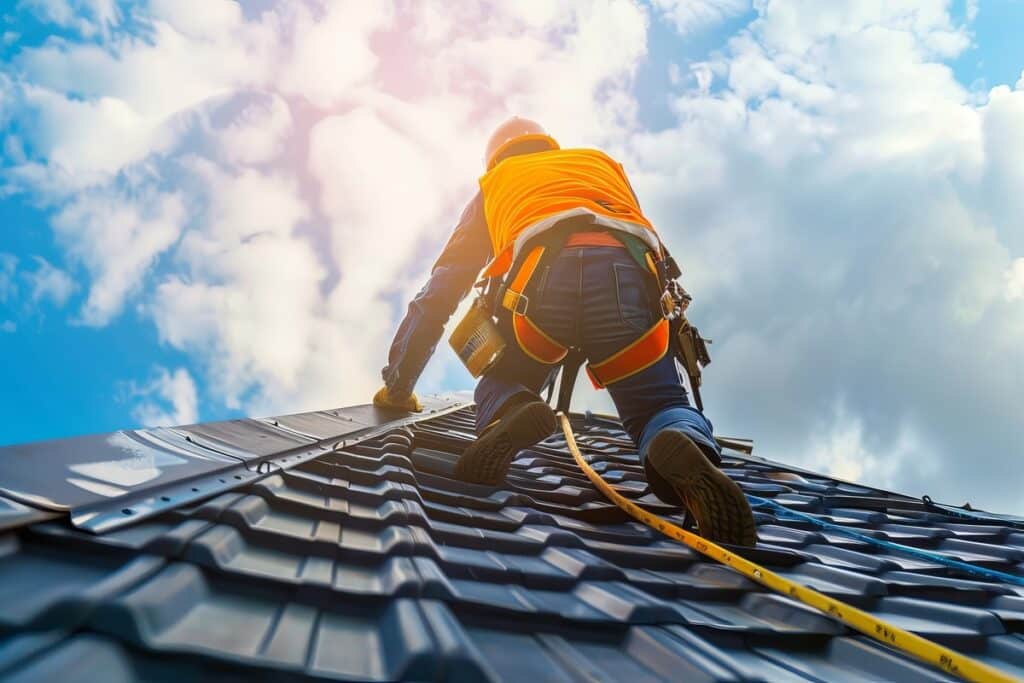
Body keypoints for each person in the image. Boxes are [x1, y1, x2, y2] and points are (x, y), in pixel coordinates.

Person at [374, 118, 756, 546]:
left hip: (538, 288)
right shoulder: (599, 164)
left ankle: (513, 407)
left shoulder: (498, 182)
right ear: (550, 146)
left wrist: (399, 384)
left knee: (506, 378)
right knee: (658, 401)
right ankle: (682, 443)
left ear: (495, 157)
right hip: (630, 282)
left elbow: (442, 290)